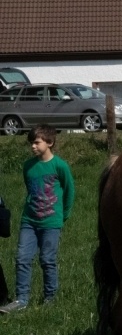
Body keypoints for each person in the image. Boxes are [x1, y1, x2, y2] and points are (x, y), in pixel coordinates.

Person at [0, 125, 75, 314]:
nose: (33, 146)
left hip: (51, 222)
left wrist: (63, 215)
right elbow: (30, 188)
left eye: (36, 142)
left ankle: (50, 298)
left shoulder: (60, 166)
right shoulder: (28, 166)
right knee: (22, 258)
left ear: (49, 143)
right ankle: (21, 299)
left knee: (47, 259)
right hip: (29, 221)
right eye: (31, 143)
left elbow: (69, 191)